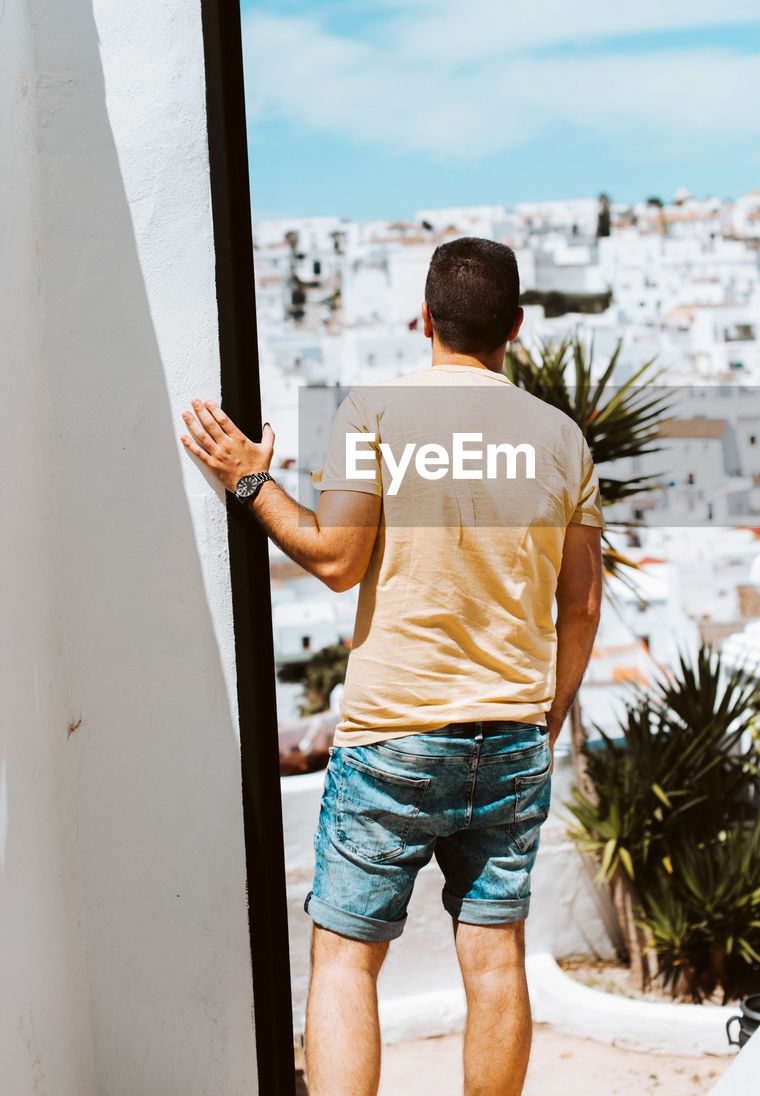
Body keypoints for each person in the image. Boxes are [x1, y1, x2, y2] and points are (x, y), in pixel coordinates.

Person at [180, 237, 604, 1096]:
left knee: (345, 961)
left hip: (393, 736)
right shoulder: (562, 439)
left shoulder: (374, 412)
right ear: (516, 327)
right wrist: (547, 715)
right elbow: (583, 605)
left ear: (424, 319)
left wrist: (251, 483)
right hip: (513, 737)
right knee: (493, 960)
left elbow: (336, 561)